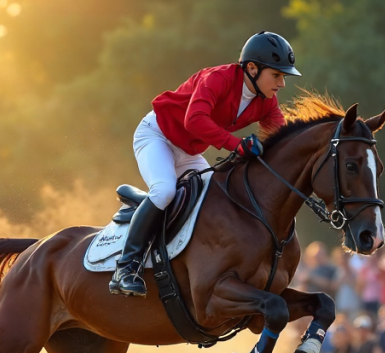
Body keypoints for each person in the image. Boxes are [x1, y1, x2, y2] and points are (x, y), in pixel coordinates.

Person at [110, 31, 299, 296]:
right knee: (164, 190)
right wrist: (238, 145)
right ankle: (126, 268)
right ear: (253, 68)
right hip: (157, 136)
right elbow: (194, 121)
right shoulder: (218, 78)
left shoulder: (267, 102)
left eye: (283, 76)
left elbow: (282, 141)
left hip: (188, 151)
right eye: (277, 75)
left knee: (218, 200)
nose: (282, 83)